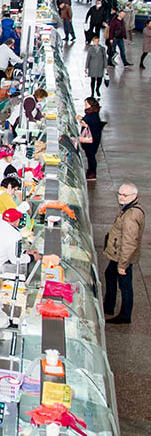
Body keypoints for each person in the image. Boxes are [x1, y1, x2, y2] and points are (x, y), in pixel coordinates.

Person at [103, 183, 144, 325]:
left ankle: (125, 315)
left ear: (134, 196)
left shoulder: (132, 215)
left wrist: (123, 265)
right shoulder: (126, 208)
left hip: (122, 257)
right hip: (117, 254)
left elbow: (129, 242)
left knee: (125, 285)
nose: (121, 197)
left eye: (124, 195)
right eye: (119, 194)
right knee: (109, 275)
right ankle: (108, 306)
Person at [80, 97, 104, 179]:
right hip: (94, 138)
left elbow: (91, 124)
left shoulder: (92, 114)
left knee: (91, 156)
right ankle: (91, 170)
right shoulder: (93, 112)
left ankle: (92, 172)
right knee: (90, 156)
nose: (85, 106)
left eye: (86, 104)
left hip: (92, 140)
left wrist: (84, 123)